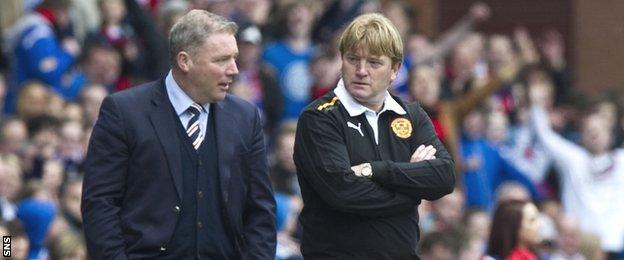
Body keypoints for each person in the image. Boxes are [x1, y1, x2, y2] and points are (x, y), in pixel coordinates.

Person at [81, 10, 276, 259]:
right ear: (185, 61)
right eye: (221, 60)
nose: (234, 70)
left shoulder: (246, 117)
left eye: (235, 58)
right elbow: (100, 204)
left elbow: (260, 210)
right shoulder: (124, 112)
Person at [293, 13, 455, 259]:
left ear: (395, 69)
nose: (361, 71)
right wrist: (413, 189)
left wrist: (374, 170)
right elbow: (344, 193)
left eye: (374, 63)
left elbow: (444, 176)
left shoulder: (412, 115)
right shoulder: (319, 117)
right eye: (352, 59)